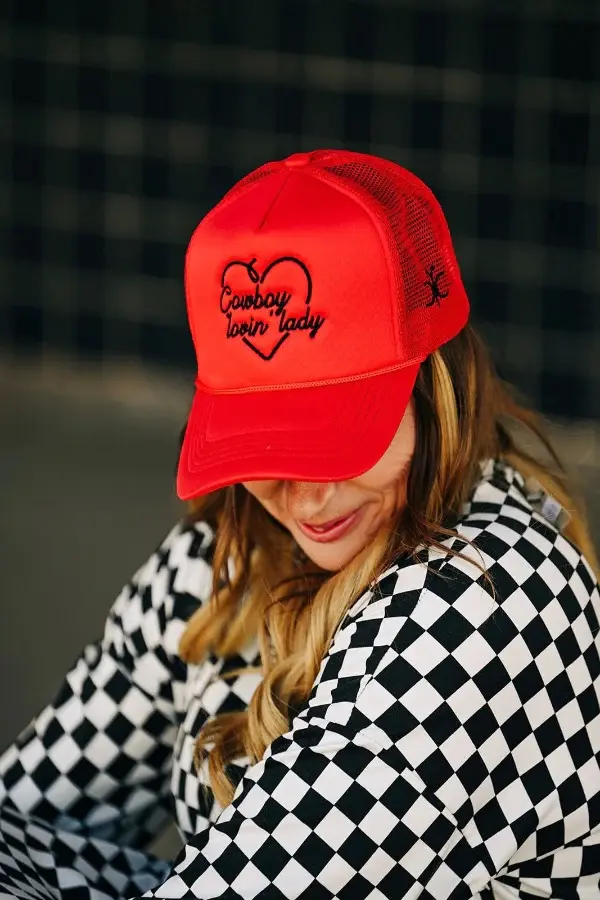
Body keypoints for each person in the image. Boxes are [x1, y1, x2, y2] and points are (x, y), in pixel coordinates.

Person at [1, 149, 599, 900]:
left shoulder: (492, 607)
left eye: (340, 437)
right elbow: (29, 808)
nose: (306, 499)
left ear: (435, 380)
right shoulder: (228, 557)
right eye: (266, 443)